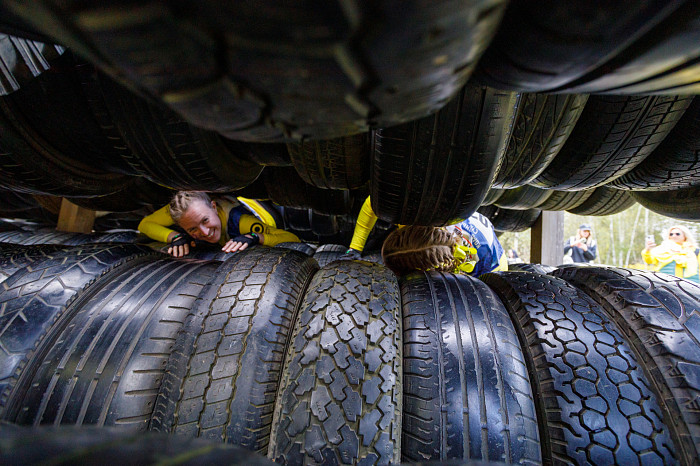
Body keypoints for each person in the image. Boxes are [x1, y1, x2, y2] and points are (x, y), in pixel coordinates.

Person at [344, 196, 507, 276]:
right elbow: (374, 202)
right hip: (471, 232)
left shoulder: (468, 274)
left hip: (495, 265)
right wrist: (354, 248)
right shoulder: (423, 211)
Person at [138, 191, 300, 257]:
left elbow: (293, 239)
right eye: (192, 229)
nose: (205, 232)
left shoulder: (240, 221)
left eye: (205, 221)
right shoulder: (181, 210)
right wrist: (174, 237)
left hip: (271, 214)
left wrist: (256, 237)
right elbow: (144, 224)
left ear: (214, 207)